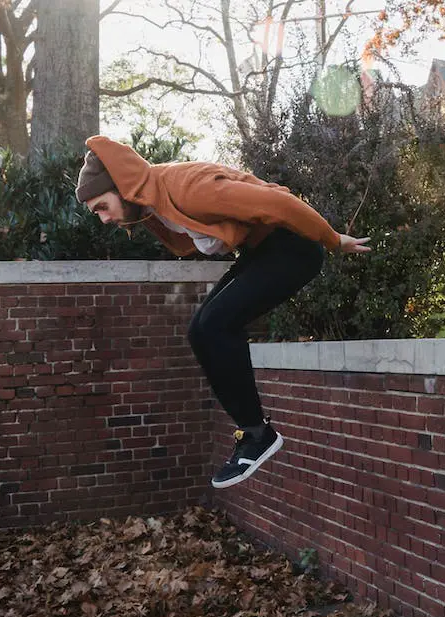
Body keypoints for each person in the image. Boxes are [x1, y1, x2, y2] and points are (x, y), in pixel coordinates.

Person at [75, 135, 370, 488]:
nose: (104, 219)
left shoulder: (187, 188)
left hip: (293, 249)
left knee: (215, 325)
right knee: (200, 330)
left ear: (121, 187)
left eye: (102, 207)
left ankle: (257, 434)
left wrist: (332, 239)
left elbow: (278, 203)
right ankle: (253, 433)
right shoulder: (155, 199)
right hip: (264, 251)